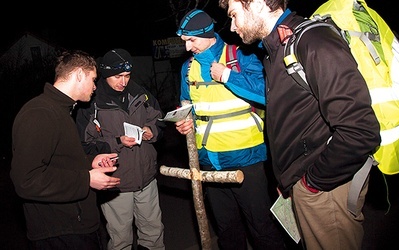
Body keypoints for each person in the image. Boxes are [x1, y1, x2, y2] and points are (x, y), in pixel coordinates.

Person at [218, 0, 382, 249]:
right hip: (306, 182)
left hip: (326, 187)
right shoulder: (278, 49)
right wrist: (287, 177)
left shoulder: (313, 40)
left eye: (234, 15)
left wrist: (311, 183)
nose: (232, 27)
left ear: (259, 3)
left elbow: (360, 130)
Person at [175, 9, 285, 250]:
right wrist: (184, 122)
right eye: (184, 41)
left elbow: (267, 94)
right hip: (209, 163)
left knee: (262, 229)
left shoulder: (240, 55)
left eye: (191, 40)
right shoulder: (188, 68)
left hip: (247, 160)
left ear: (207, 33)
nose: (187, 47)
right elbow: (186, 106)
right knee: (227, 231)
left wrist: (227, 76)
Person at [10, 49, 121, 250]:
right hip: (60, 233)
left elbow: (59, 160)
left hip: (75, 226)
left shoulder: (61, 110)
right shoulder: (40, 114)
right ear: (79, 74)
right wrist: (87, 179)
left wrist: (90, 162)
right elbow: (26, 180)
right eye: (93, 79)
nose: (95, 87)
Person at [75, 48, 166, 250]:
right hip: (116, 184)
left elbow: (161, 121)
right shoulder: (92, 103)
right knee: (121, 240)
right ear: (105, 74)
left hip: (146, 179)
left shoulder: (141, 94)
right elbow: (83, 145)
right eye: (117, 76)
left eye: (127, 75)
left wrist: (152, 131)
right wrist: (117, 141)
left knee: (153, 234)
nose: (123, 82)